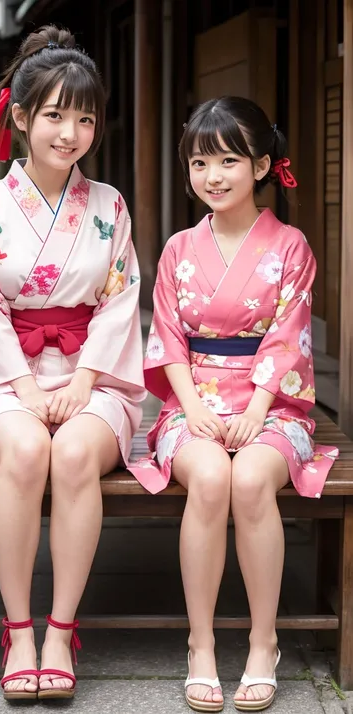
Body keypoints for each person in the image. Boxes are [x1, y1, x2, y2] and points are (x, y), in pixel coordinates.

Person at [0, 24, 145, 702]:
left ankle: (61, 630)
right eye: (55, 114)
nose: (71, 132)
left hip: (92, 372)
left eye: (85, 117)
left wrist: (84, 381)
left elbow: (120, 302)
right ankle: (18, 630)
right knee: (28, 452)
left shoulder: (109, 204)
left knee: (76, 454)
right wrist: (26, 386)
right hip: (5, 378)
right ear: (22, 116)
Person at [129, 96, 338, 713]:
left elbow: (289, 336)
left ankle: (262, 641)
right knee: (212, 476)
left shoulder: (291, 245)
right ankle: (200, 645)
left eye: (227, 159)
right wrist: (191, 406)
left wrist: (258, 408)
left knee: (250, 480)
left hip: (273, 402)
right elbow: (166, 337)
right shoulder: (176, 249)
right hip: (193, 401)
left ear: (262, 165)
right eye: (199, 161)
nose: (212, 176)